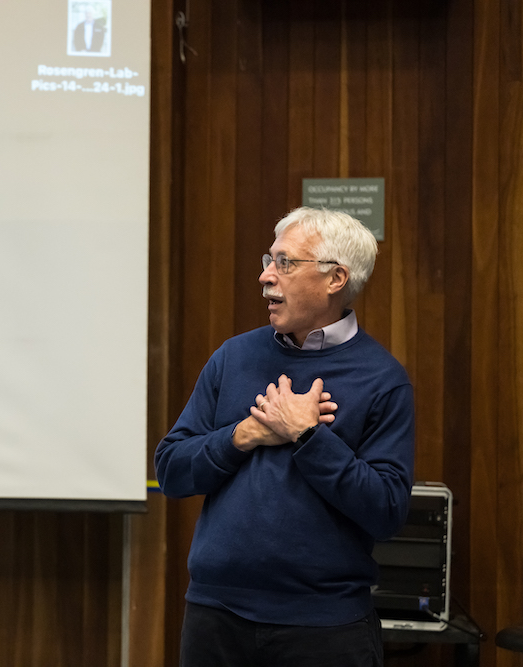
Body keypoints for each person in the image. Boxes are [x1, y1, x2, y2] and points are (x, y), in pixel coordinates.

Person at [154, 207, 414, 667]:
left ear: (335, 279)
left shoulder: (382, 379)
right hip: (216, 617)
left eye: (284, 263)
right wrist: (244, 433)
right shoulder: (232, 357)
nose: (265, 277)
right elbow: (172, 470)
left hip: (325, 629)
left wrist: (308, 434)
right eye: (268, 260)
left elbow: (387, 511)